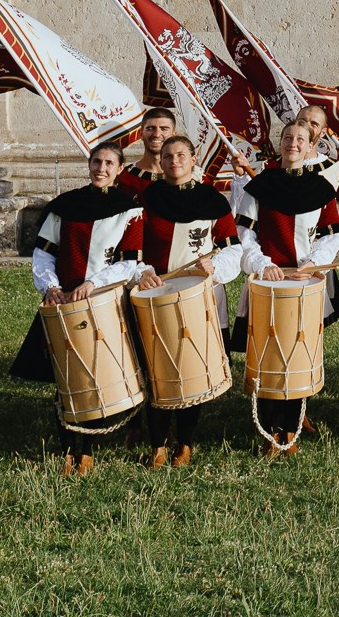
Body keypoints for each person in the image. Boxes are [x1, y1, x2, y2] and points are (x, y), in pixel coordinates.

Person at [11, 141, 144, 476]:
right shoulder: (64, 206)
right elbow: (44, 254)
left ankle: (111, 438)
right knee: (67, 378)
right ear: (89, 165)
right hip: (65, 303)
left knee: (107, 373)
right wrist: (51, 287)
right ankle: (74, 450)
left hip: (107, 304)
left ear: (119, 169)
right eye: (96, 162)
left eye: (109, 163)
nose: (101, 168)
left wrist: (93, 284)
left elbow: (129, 264)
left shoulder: (130, 210)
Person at [230, 118, 339, 456]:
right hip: (269, 280)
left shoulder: (321, 188)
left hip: (303, 282)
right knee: (268, 355)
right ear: (279, 143)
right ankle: (270, 430)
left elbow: (330, 235)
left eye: (300, 138)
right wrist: (263, 264)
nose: (292, 143)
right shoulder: (261, 184)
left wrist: (313, 263)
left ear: (311, 145)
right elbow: (245, 234)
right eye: (287, 137)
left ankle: (292, 429)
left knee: (298, 353)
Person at [129, 133, 243, 466]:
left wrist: (215, 267)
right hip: (157, 297)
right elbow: (132, 248)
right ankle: (158, 445)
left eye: (181, 155)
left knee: (192, 369)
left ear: (194, 160)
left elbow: (233, 247)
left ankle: (186, 444)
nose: (174, 161)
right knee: (158, 370)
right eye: (168, 156)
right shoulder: (146, 199)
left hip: (201, 296)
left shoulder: (213, 199)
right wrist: (143, 271)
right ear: (160, 162)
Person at [117, 106, 177, 198]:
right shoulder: (123, 178)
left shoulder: (192, 176)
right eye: (150, 128)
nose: (156, 134)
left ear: (173, 136)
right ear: (141, 134)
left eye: (164, 129)